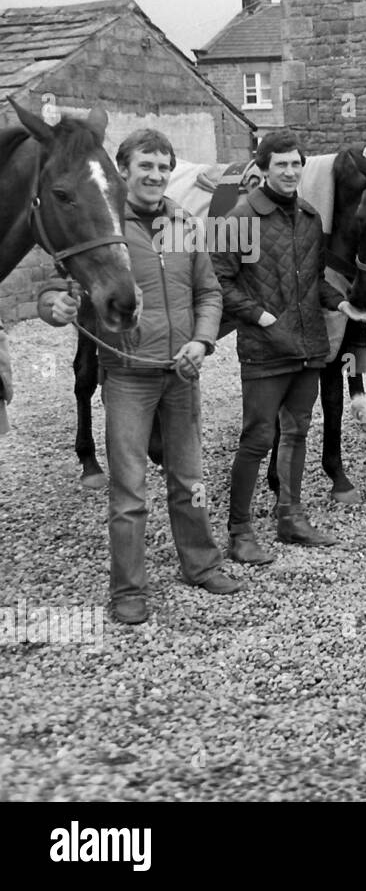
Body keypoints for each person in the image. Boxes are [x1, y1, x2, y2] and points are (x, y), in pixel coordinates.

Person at [36, 128, 245, 624]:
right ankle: (128, 589)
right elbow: (53, 292)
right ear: (123, 172)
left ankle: (200, 563)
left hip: (183, 372)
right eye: (144, 166)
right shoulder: (102, 221)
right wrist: (56, 307)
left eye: (162, 167)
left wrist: (202, 341)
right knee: (128, 489)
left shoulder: (184, 223)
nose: (154, 175)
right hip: (128, 376)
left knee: (189, 477)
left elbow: (209, 293)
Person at [212, 130, 366, 563]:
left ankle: (290, 516)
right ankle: (240, 530)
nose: (289, 171)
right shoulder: (239, 218)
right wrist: (261, 316)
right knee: (257, 438)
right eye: (280, 164)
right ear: (263, 169)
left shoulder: (308, 217)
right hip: (265, 349)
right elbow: (219, 282)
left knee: (297, 431)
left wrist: (345, 305)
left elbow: (315, 282)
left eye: (295, 164)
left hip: (307, 346)